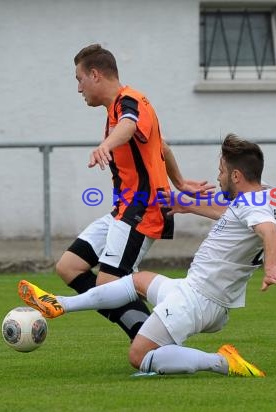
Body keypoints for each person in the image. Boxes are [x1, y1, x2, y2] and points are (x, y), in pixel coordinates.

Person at [18, 133, 276, 377]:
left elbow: (271, 233)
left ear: (236, 177)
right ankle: (59, 305)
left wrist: (271, 268)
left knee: (138, 357)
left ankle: (221, 362)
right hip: (193, 291)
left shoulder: (256, 207)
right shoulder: (254, 196)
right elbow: (231, 216)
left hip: (198, 300)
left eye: (221, 172)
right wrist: (187, 206)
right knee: (137, 281)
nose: (218, 177)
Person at [58, 44, 214, 341]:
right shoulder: (118, 107)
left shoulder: (129, 102)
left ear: (95, 75)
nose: (79, 88)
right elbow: (161, 146)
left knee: (108, 284)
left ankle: (154, 340)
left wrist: (106, 145)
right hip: (124, 209)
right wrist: (180, 182)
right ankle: (145, 332)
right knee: (69, 266)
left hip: (142, 211)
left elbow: (128, 127)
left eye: (79, 79)